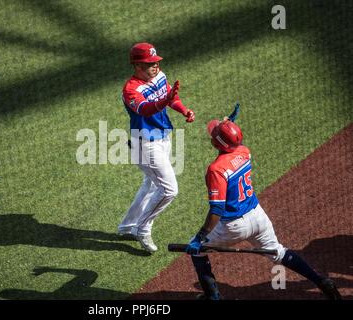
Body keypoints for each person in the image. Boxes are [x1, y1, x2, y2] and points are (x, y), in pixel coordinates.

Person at [185, 113, 342, 300]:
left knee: (197, 250)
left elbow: (217, 210)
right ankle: (321, 282)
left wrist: (200, 237)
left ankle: (213, 298)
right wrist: (229, 126)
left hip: (233, 226)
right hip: (258, 217)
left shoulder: (216, 169)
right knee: (278, 252)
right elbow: (232, 143)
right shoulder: (244, 150)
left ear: (216, 144)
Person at [118, 42, 195, 253]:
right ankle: (143, 228)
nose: (155, 66)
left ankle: (127, 226)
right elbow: (145, 109)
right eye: (150, 64)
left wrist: (183, 109)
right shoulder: (130, 89)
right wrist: (166, 100)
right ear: (137, 66)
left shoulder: (160, 76)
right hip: (145, 144)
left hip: (163, 137)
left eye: (156, 62)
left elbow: (172, 97)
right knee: (170, 190)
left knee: (151, 184)